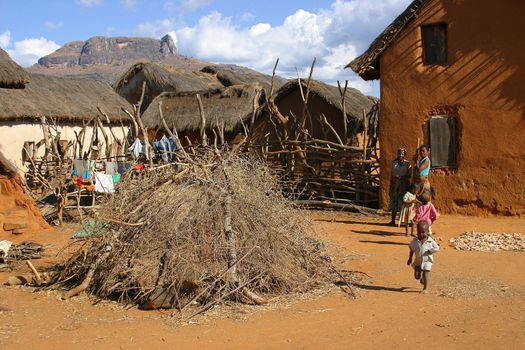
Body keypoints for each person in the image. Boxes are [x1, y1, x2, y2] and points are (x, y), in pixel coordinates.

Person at [407, 220, 440, 293]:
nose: (421, 234)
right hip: (418, 261)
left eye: (423, 232)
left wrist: (431, 251)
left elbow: (437, 248)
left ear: (428, 232)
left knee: (426, 273)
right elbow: (411, 250)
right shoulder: (414, 241)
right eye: (419, 232)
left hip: (427, 260)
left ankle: (425, 288)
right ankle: (421, 277)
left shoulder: (431, 241)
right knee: (417, 277)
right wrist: (409, 259)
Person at [389, 147, 411, 225]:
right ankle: (393, 220)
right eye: (399, 153)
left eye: (402, 154)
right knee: (394, 201)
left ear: (404, 154)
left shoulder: (407, 163)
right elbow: (392, 175)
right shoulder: (394, 163)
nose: (400, 155)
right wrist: (391, 185)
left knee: (403, 202)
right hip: (395, 185)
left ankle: (402, 221)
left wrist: (403, 177)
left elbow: (409, 175)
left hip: (403, 185)